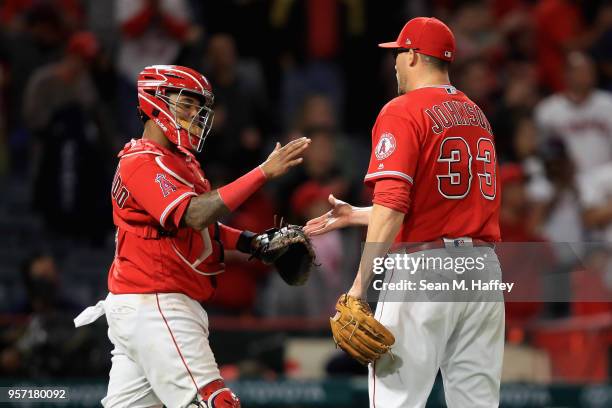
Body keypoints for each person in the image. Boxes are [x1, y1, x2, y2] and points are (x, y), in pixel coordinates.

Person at [73, 65, 310, 407]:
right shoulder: (141, 161)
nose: (196, 115)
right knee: (215, 402)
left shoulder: (179, 160)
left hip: (144, 305)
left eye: (199, 107)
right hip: (157, 302)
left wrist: (251, 242)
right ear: (154, 102)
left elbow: (201, 228)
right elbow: (193, 213)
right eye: (186, 104)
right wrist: (262, 173)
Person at [305, 18, 504, 407]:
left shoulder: (403, 109)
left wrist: (359, 288)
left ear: (413, 55)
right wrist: (360, 214)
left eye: (398, 53)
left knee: (397, 400)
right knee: (477, 402)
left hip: (425, 269)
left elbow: (394, 203)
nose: (394, 62)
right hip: (482, 271)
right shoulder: (476, 114)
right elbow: (445, 204)